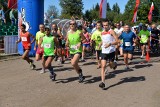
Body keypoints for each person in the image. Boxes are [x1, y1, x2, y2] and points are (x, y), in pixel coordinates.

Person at [99, 20, 118, 89]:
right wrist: (100, 44)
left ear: (109, 25)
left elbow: (117, 41)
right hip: (104, 51)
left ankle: (114, 64)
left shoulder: (111, 31)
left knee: (111, 65)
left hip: (111, 51)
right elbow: (103, 40)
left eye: (106, 25)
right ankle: (103, 82)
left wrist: (110, 44)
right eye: (104, 25)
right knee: (103, 66)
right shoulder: (102, 32)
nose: (105, 26)